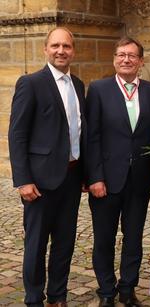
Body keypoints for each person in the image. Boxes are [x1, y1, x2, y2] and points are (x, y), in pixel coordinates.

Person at [85, 37, 150, 307]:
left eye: (132, 55)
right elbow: (91, 137)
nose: (126, 59)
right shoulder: (98, 89)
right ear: (114, 59)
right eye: (121, 55)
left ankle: (128, 288)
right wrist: (94, 177)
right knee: (104, 238)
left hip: (139, 180)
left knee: (134, 237)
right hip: (106, 180)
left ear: (141, 61)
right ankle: (106, 291)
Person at [8, 27, 85, 307]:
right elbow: (17, 134)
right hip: (39, 181)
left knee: (65, 242)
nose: (61, 51)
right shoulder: (30, 82)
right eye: (55, 46)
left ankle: (57, 296)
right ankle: (33, 299)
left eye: (66, 46)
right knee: (36, 244)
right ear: (45, 49)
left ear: (73, 51)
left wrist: (86, 174)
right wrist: (23, 179)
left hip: (72, 176)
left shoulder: (78, 84)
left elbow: (78, 130)